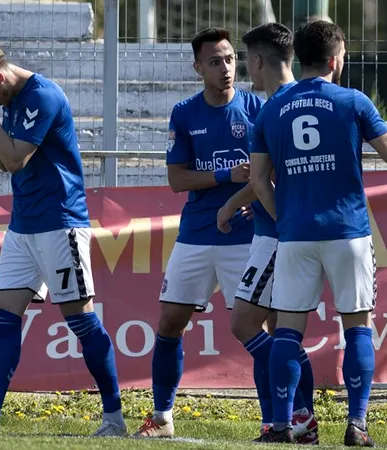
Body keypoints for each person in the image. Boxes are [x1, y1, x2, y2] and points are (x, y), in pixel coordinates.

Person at [0, 43, 126, 437]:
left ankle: (114, 418)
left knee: (81, 321)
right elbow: (3, 161)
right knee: (3, 319)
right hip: (23, 226)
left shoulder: (43, 96)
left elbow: (17, 158)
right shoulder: (7, 101)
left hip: (60, 225)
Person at [249, 20, 387, 445]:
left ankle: (281, 425)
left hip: (295, 233)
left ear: (299, 58)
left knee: (287, 330)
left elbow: (260, 180)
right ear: (336, 59)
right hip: (347, 230)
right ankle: (356, 424)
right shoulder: (352, 100)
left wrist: (285, 217)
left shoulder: (271, 108)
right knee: (356, 326)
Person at [132, 27, 263, 439]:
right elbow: (176, 179)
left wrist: (249, 189)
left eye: (229, 59)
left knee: (263, 328)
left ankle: (281, 417)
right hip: (195, 235)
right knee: (170, 322)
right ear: (197, 67)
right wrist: (226, 173)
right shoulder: (185, 113)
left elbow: (270, 168)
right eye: (214, 61)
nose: (225, 68)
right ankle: (163, 416)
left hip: (245, 235)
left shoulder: (257, 108)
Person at [215, 22, 318, 445]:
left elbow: (264, 175)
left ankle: (295, 413)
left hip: (277, 233)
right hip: (279, 230)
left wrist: (229, 203)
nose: (245, 74)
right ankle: (294, 417)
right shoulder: (300, 98)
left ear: (257, 61)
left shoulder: (276, 105)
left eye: (245, 62)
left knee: (245, 324)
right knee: (282, 331)